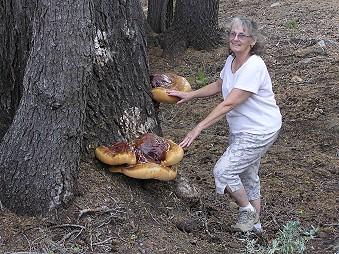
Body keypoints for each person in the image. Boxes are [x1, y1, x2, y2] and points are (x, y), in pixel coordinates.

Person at [167, 15, 282, 233]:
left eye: (242, 35)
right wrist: (191, 95)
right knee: (247, 174)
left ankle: (247, 212)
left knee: (224, 171)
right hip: (242, 128)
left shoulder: (254, 66)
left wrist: (198, 127)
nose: (236, 38)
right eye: (232, 34)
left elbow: (229, 103)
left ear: (253, 41)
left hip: (260, 130)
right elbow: (221, 84)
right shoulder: (232, 61)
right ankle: (255, 227)